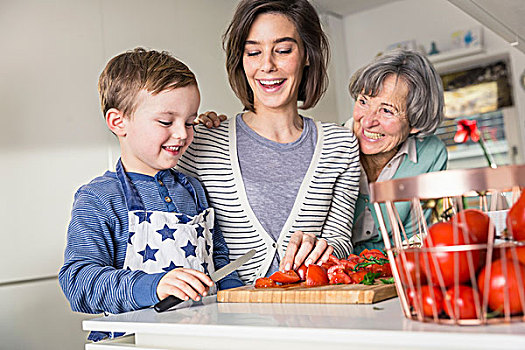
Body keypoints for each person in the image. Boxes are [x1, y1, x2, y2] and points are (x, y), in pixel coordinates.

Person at [59, 48, 243, 340]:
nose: (182, 134)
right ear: (118, 122)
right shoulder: (99, 197)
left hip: (202, 338)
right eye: (166, 122)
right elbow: (78, 281)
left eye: (190, 122)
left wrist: (240, 307)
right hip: (132, 341)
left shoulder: (192, 188)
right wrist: (153, 287)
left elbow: (217, 258)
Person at [178, 0, 360, 284]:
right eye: (253, 52)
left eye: (284, 50)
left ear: (307, 55)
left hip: (313, 315)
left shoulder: (341, 145)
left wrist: (326, 250)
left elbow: (340, 238)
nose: (267, 65)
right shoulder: (201, 144)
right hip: (227, 320)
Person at [345, 49, 448, 254]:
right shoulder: (328, 147)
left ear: (415, 123)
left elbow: (414, 239)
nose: (367, 121)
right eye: (363, 101)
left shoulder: (430, 154)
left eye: (387, 110)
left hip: (396, 269)